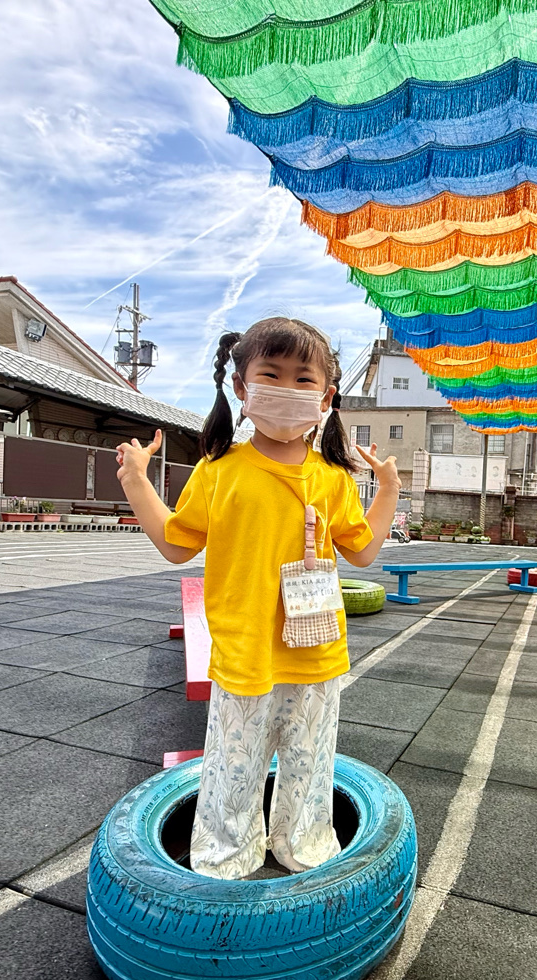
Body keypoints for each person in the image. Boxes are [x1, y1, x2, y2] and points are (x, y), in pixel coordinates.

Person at [115, 318, 400, 880]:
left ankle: (304, 841)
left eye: (303, 379)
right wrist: (136, 482)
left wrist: (387, 491)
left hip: (315, 650)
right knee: (234, 762)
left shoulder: (333, 477)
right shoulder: (220, 470)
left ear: (326, 397)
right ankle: (227, 852)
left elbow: (363, 550)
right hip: (245, 650)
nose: (288, 389)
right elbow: (176, 543)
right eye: (271, 375)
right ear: (241, 387)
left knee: (309, 761)